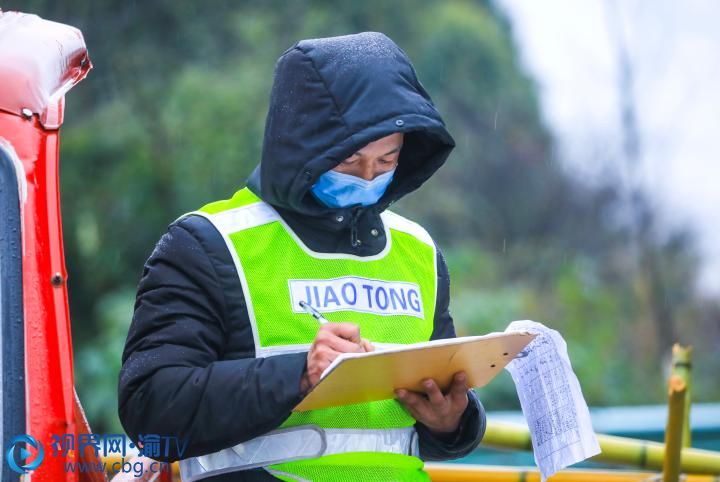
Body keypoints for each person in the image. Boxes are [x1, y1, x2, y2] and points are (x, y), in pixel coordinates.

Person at [118, 32, 486, 482]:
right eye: (350, 160)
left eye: (387, 160)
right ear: (301, 147)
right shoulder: (208, 243)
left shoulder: (420, 252)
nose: (368, 176)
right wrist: (299, 376)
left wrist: (452, 421)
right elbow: (151, 408)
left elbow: (417, 428)